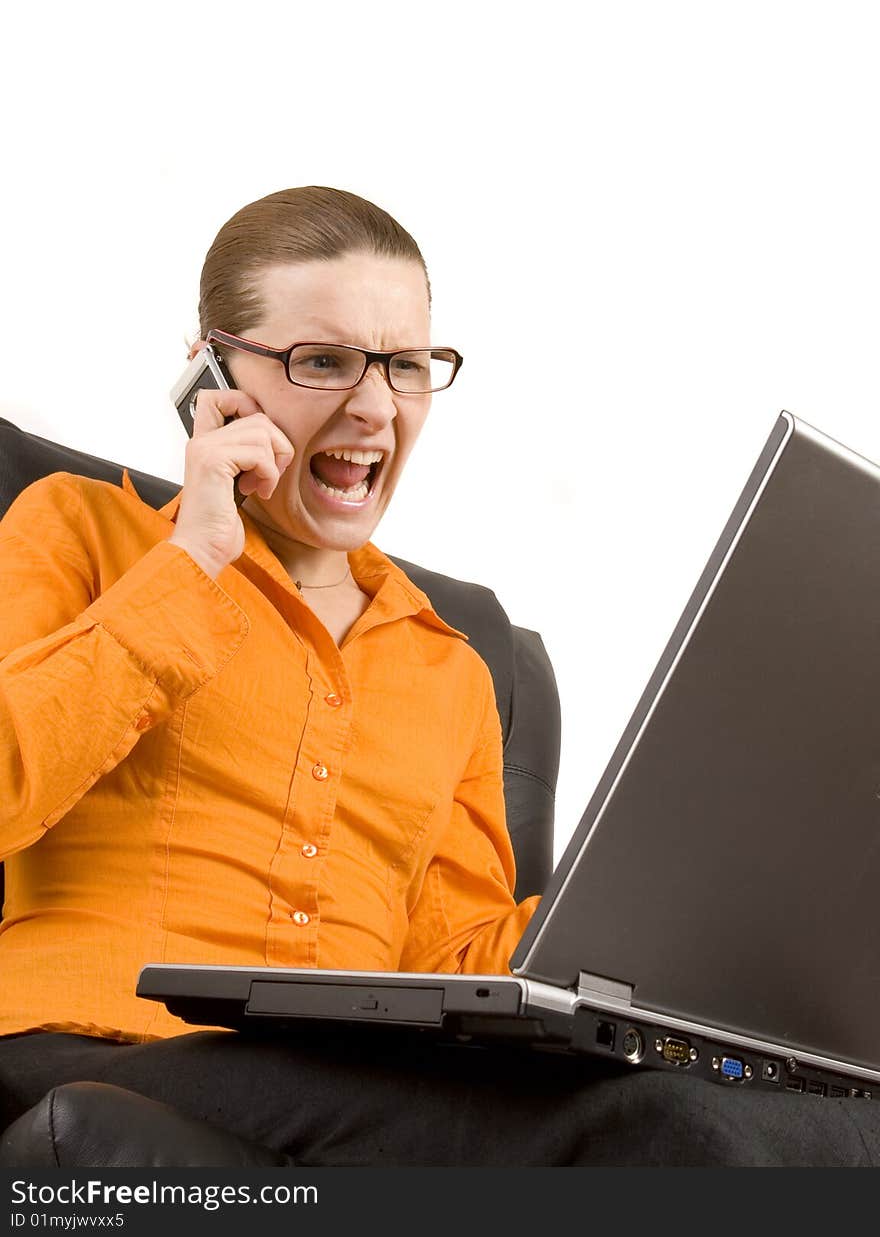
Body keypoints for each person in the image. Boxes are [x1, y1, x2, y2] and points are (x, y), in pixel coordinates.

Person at [0, 186, 877, 1167]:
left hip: (346, 1072)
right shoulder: (76, 530)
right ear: (210, 369)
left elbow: (452, 957)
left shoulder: (451, 665)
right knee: (672, 1131)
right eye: (320, 360)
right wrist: (193, 561)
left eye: (405, 366)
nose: (373, 406)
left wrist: (665, 922)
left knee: (812, 1125)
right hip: (92, 1040)